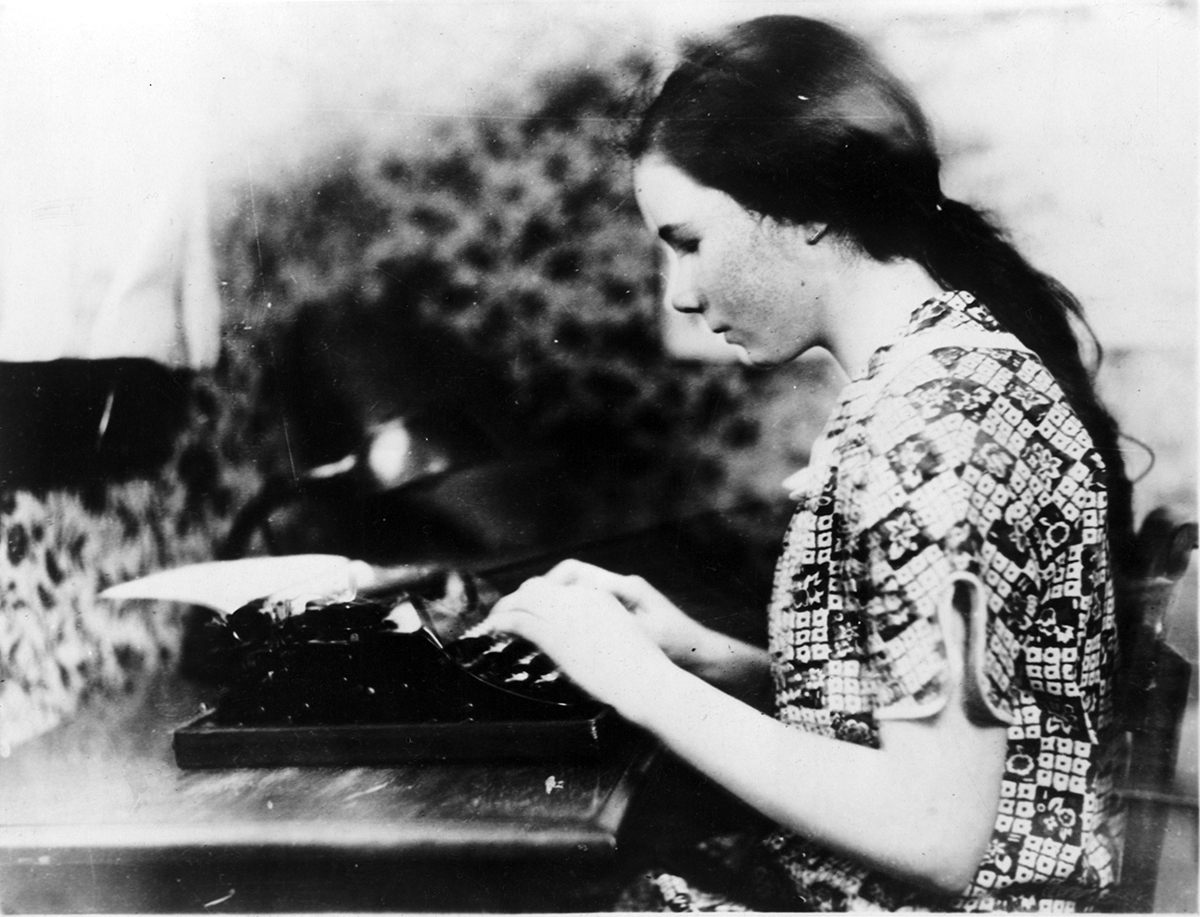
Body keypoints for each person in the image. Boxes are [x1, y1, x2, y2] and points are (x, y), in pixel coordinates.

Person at [481, 14, 1135, 913]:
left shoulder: (930, 423)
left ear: (809, 209)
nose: (680, 290)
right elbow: (944, 718)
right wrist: (707, 656)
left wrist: (640, 681)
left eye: (687, 240)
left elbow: (936, 832)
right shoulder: (941, 374)